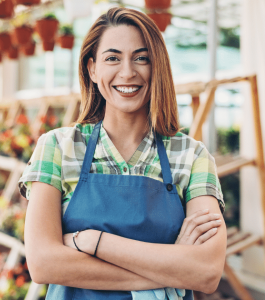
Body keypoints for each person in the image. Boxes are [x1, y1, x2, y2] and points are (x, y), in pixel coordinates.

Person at [18, 7, 226, 300]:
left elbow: (206, 272)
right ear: (92, 69)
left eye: (141, 58)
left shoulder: (191, 156)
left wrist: (92, 241)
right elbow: (43, 264)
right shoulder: (57, 148)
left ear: (158, 68)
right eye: (112, 58)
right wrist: (172, 268)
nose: (127, 72)